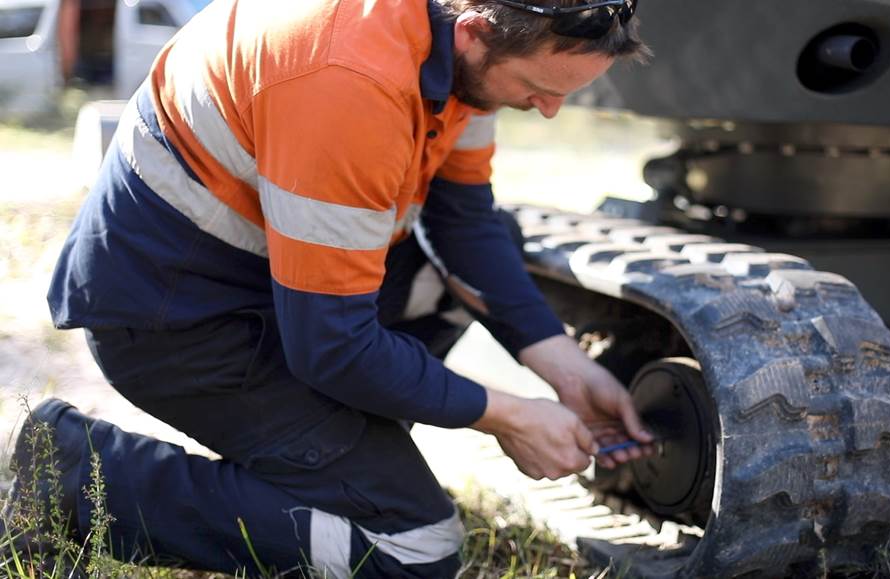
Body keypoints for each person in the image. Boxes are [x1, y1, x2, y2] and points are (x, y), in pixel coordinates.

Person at [5, 0, 651, 576]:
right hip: (176, 317)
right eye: (539, 87)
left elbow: (466, 224)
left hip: (276, 290)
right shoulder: (348, 76)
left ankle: (338, 456)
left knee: (486, 251)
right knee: (415, 547)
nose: (549, 108)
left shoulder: (455, 46)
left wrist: (562, 365)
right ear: (477, 32)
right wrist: (508, 414)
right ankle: (67, 472)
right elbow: (333, 346)